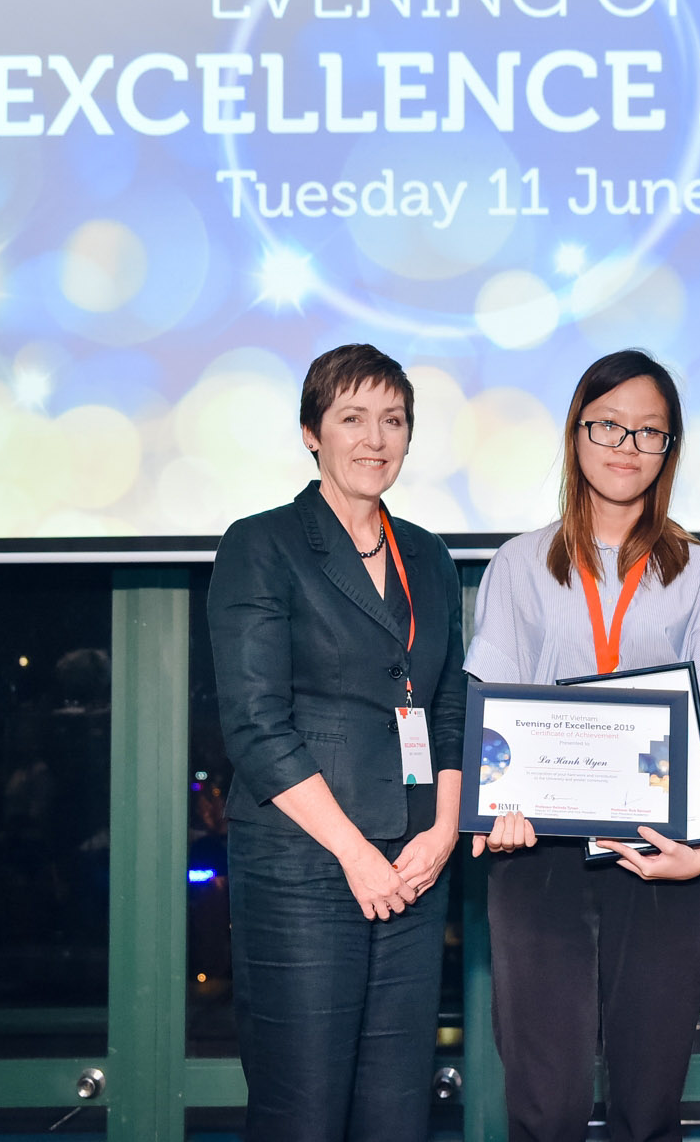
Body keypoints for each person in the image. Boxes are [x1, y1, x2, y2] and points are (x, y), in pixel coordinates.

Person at [465, 349, 700, 1142]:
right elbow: (492, 706)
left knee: (648, 1104)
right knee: (546, 1107)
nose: (626, 444)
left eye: (649, 432)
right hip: (539, 858)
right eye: (608, 425)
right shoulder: (519, 563)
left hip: (661, 852)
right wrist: (498, 810)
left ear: (670, 449)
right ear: (576, 433)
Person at [207, 343, 466, 1142]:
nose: (375, 437)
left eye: (393, 420)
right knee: (303, 1112)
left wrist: (444, 828)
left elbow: (450, 700)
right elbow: (255, 724)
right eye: (352, 417)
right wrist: (357, 854)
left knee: (397, 1114)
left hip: (414, 867)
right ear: (312, 432)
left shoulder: (428, 553)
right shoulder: (263, 543)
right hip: (306, 867)